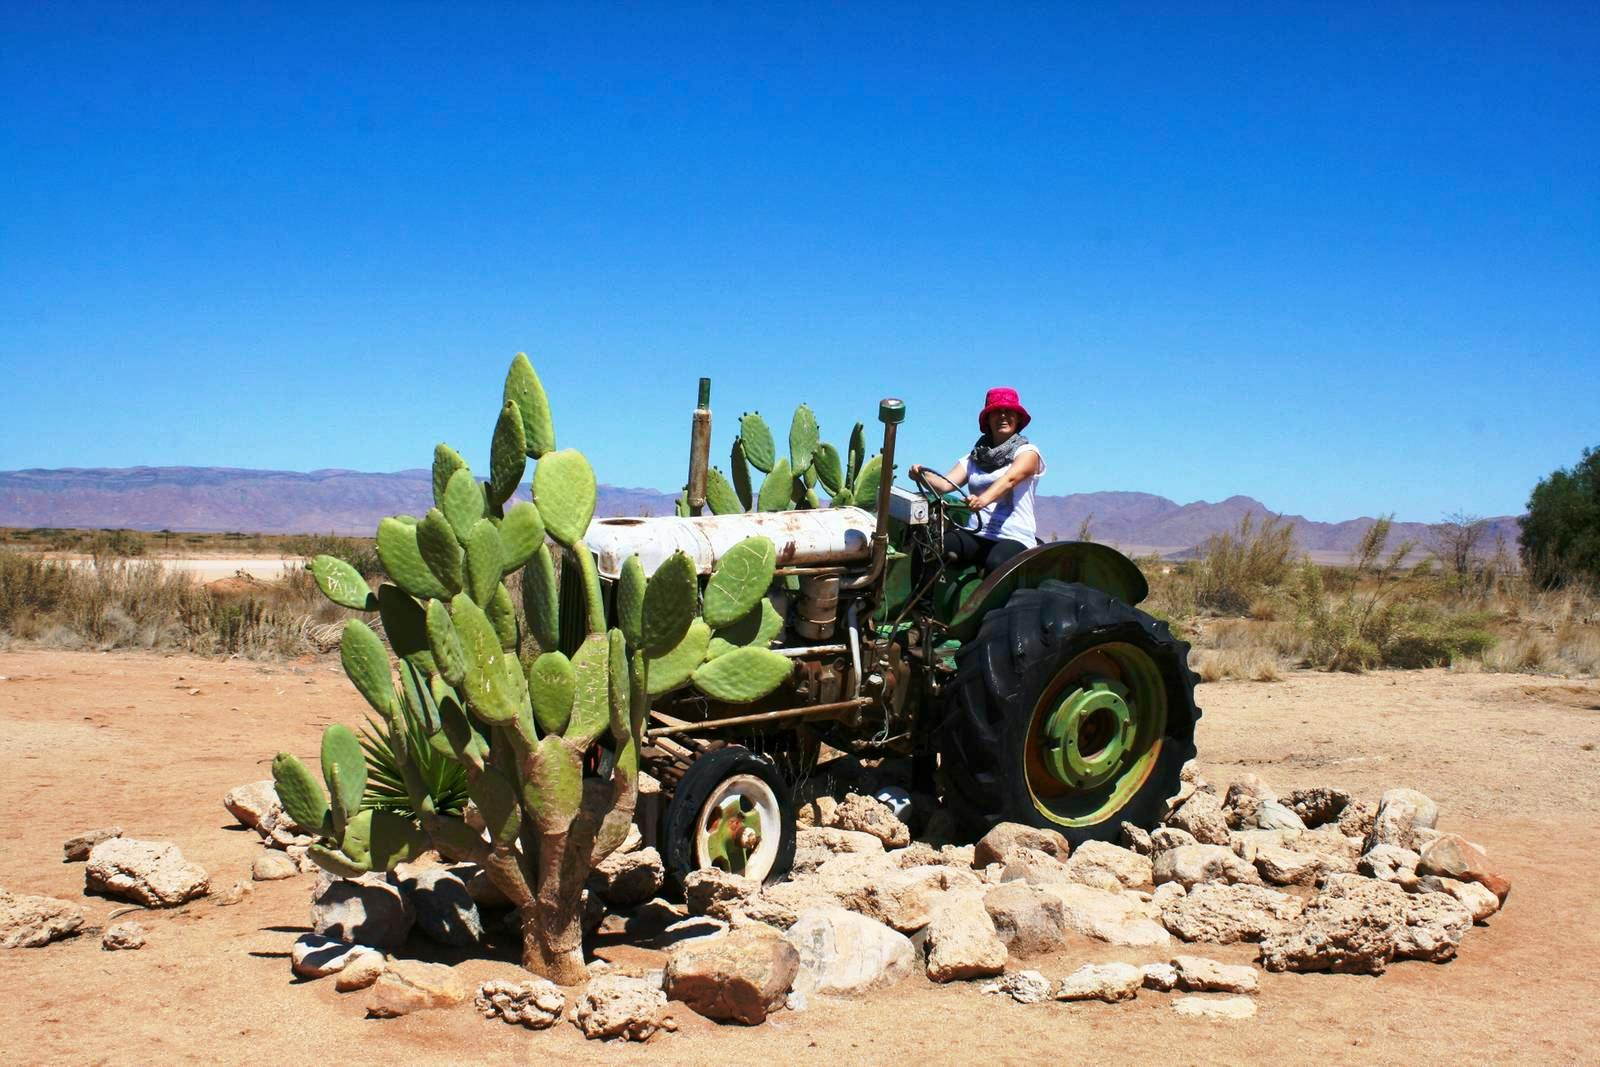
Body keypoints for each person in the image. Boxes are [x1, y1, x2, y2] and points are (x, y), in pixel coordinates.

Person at [909, 386, 1045, 575]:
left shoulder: (1028, 452)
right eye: (996, 412)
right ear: (988, 420)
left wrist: (983, 500)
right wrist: (922, 475)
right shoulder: (974, 458)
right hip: (977, 533)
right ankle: (922, 605)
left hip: (1014, 537)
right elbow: (945, 484)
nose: (1003, 416)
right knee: (929, 548)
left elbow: (1010, 479)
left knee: (997, 564)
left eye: (1008, 411)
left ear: (1018, 419)